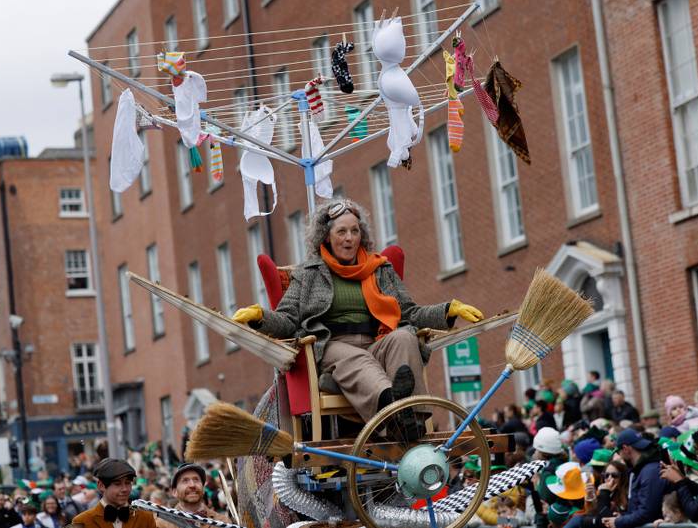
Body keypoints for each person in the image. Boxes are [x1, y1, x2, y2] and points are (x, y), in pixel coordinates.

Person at [233, 199, 483, 438]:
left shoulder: (380, 269)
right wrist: (260, 318)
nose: (349, 238)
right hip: (331, 346)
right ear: (326, 237)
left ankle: (412, 420)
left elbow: (411, 314)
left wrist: (448, 310)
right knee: (356, 358)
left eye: (355, 231)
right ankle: (394, 407)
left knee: (404, 337)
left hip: (377, 343)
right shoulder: (308, 274)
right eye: (341, 231)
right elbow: (287, 320)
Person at [602, 429, 667, 528]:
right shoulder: (640, 470)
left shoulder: (650, 471)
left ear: (625, 449)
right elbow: (636, 508)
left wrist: (619, 522)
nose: (620, 456)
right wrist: (623, 517)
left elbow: (647, 513)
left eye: (619, 452)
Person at [71, 459, 156, 528]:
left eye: (127, 483)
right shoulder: (82, 521)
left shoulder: (146, 518)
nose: (125, 489)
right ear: (101, 486)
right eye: (117, 484)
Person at [154, 462, 228, 527]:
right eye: (185, 481)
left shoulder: (222, 522)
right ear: (174, 492)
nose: (192, 485)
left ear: (203, 489)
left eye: (196, 480)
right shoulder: (162, 524)